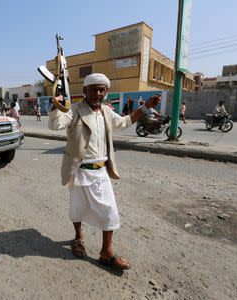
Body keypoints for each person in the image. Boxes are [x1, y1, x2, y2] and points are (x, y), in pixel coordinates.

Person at [48, 73, 160, 270]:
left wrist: (146, 107)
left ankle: (106, 251)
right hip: (79, 171)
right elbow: (56, 124)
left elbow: (126, 121)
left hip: (101, 172)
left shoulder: (107, 112)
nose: (98, 93)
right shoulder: (74, 110)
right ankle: (79, 237)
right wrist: (55, 104)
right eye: (94, 89)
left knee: (109, 211)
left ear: (106, 92)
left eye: (102, 90)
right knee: (77, 208)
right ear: (85, 91)